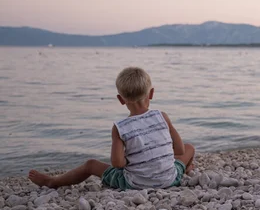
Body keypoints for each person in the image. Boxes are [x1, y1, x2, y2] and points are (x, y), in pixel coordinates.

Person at [29, 67, 195, 189]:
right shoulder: (162, 116)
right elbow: (179, 149)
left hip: (135, 183)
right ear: (151, 94)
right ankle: (187, 169)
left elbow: (117, 164)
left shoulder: (119, 127)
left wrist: (137, 157)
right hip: (170, 179)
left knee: (90, 164)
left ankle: (52, 182)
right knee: (189, 148)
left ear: (121, 99)